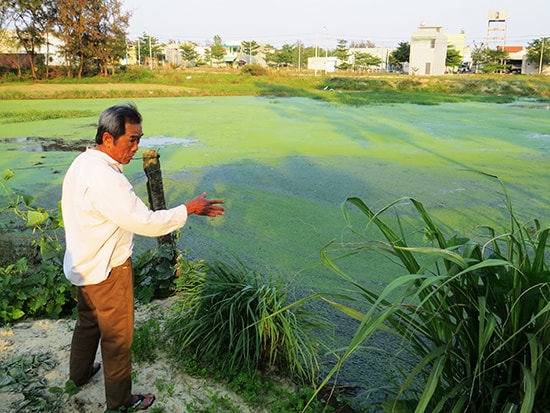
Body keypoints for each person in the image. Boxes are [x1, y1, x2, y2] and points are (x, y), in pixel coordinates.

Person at [61, 103, 224, 411]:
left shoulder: (83, 163)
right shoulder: (108, 179)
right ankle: (120, 402)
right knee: (118, 340)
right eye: (131, 140)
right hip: (108, 269)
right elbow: (145, 222)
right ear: (108, 139)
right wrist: (188, 209)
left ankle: (78, 376)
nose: (136, 148)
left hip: (83, 264)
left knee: (87, 323)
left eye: (139, 139)